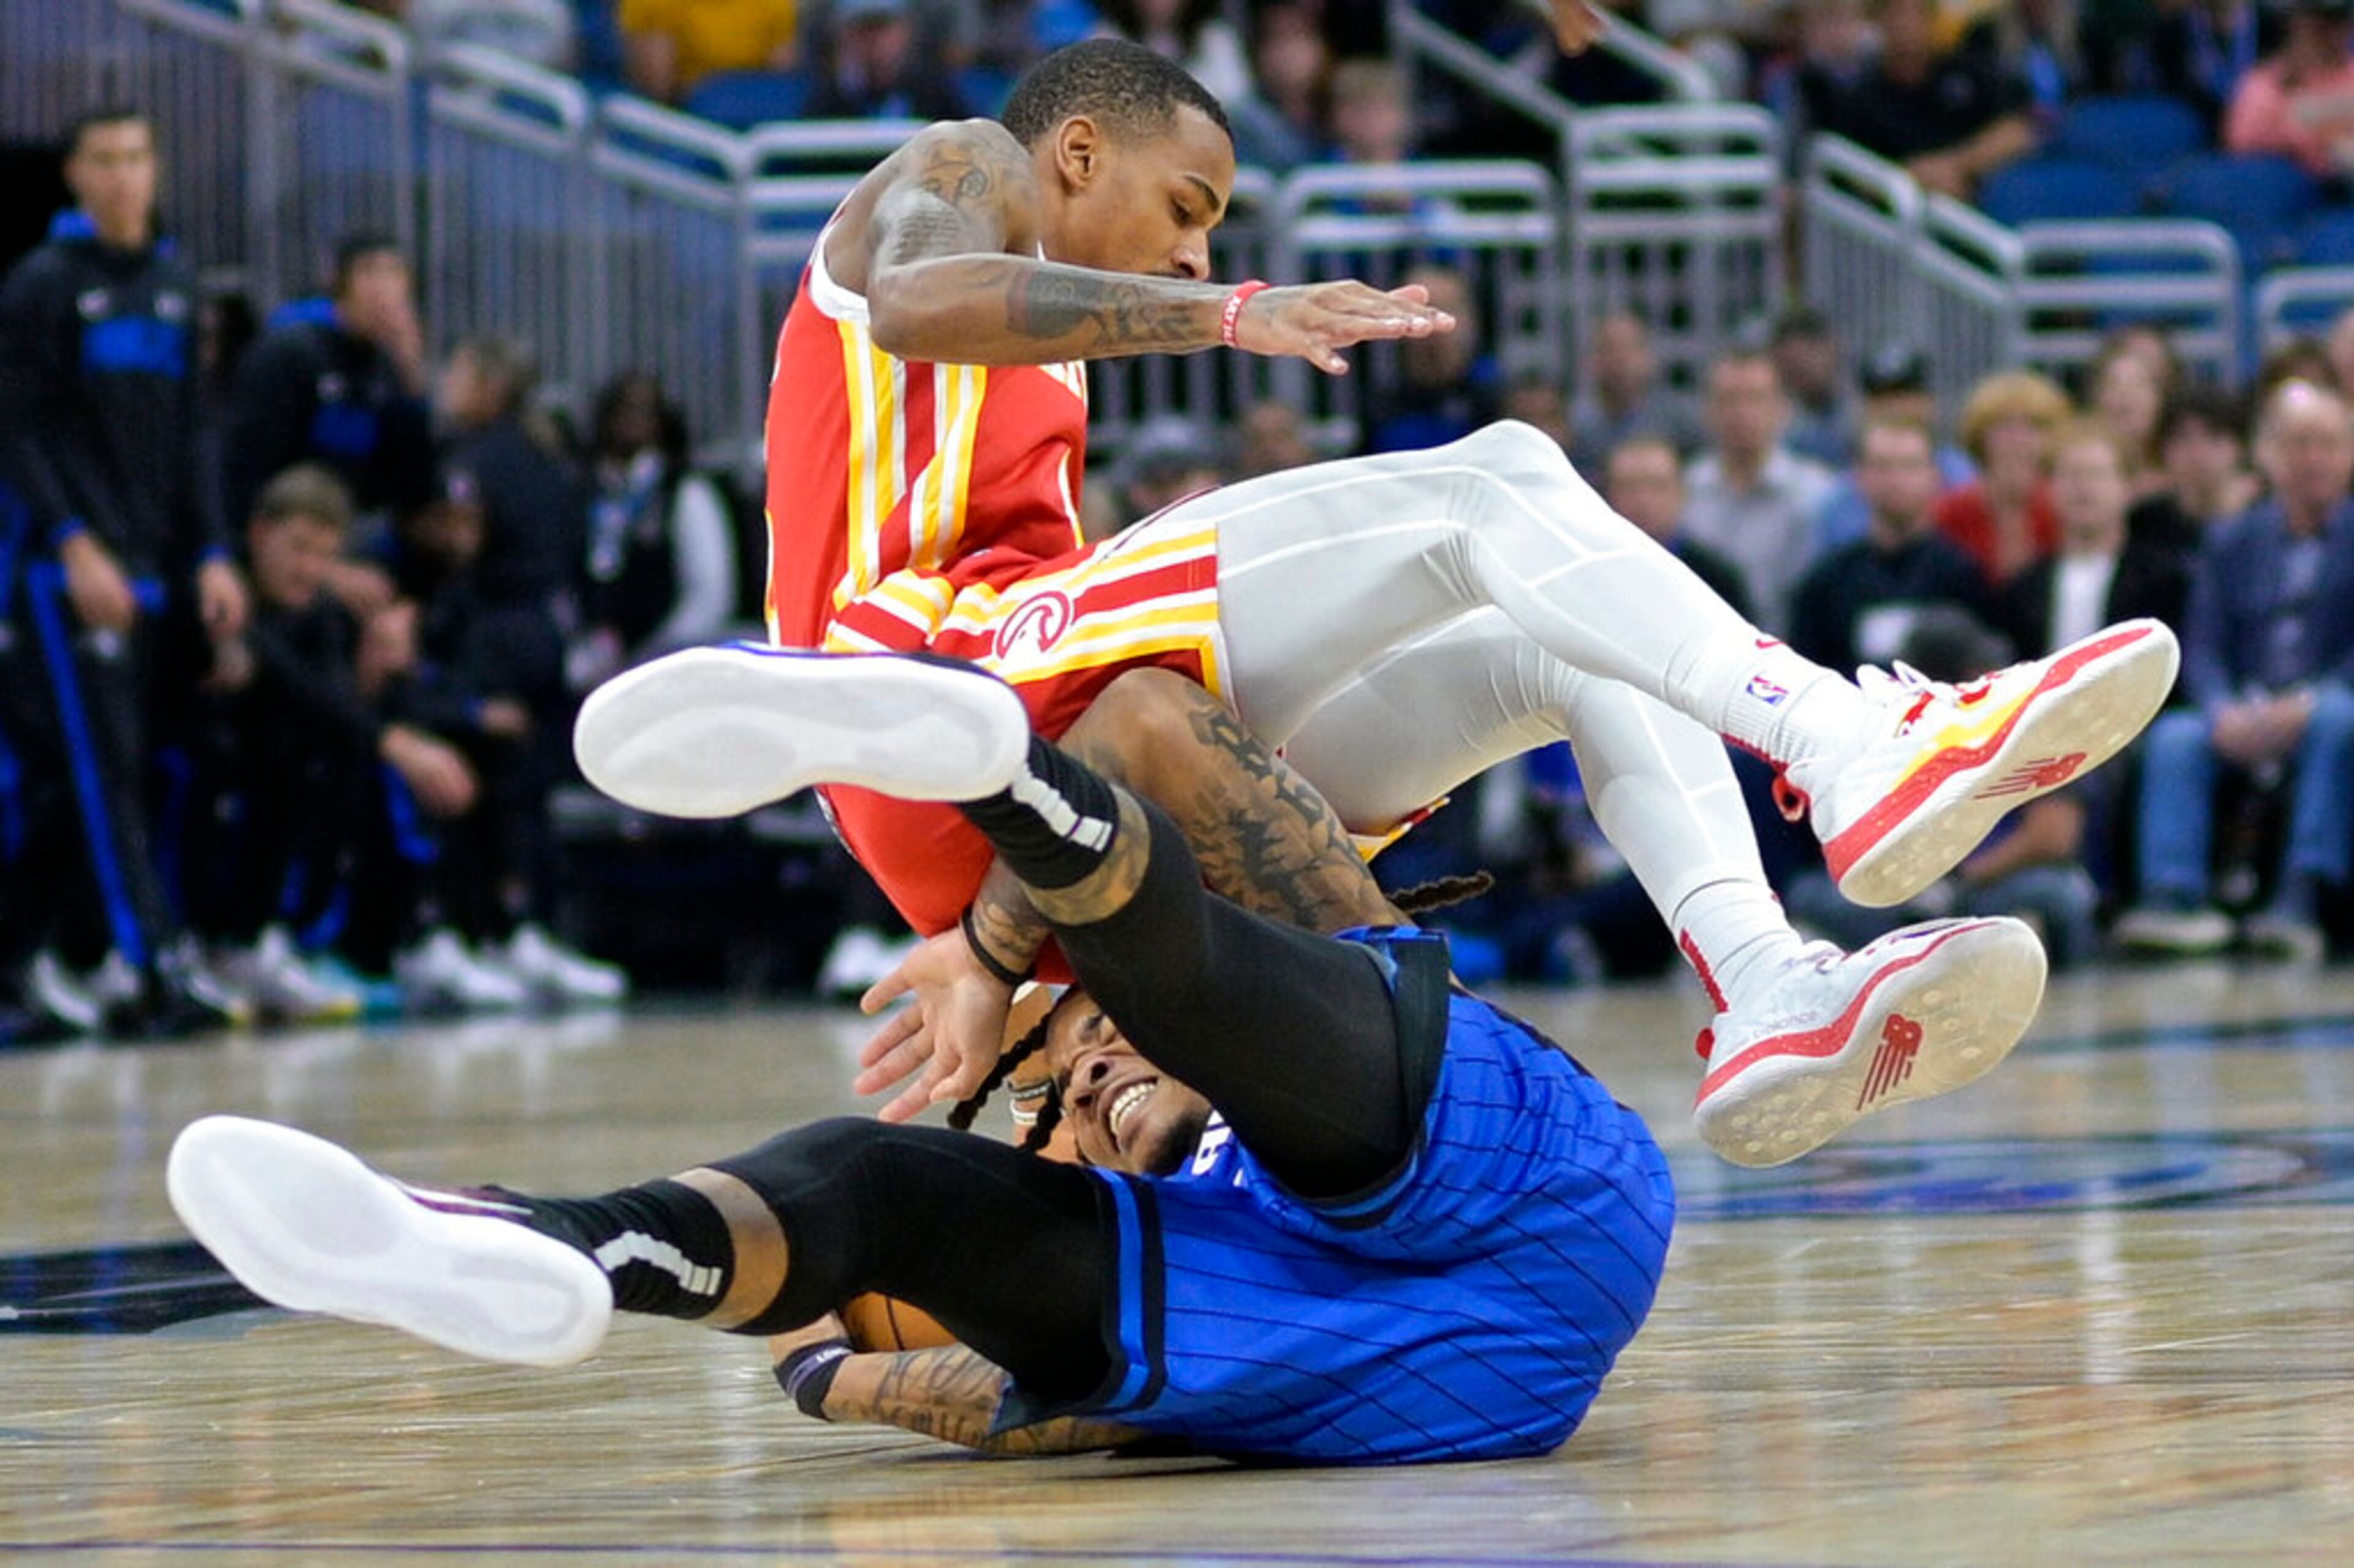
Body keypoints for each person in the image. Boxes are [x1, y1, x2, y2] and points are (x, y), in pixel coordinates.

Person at [579, 36, 2176, 1160]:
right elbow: (922, 302)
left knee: (1564, 637)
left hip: (1010, 762)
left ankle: (1765, 987)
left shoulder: (1049, 357)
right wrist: (1230, 312)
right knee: (1495, 476)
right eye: (1187, 203)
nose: (1194, 244)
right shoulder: (965, 164)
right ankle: (1841, 740)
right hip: (921, 689)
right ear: (1077, 153)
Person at [173, 652, 2053, 1462]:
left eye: (1071, 1067)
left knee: (1219, 1007)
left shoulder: (1290, 960)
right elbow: (973, 1389)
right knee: (885, 1176)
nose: (1074, 1094)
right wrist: (846, 1363)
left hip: (1526, 1202)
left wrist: (1004, 953)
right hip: (1344, 1369)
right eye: (1060, 1103)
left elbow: (1153, 720)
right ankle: (546, 1243)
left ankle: (990, 766)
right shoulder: (1146, 1254)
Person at [0, 105, 249, 1037]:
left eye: (137, 157)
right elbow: (16, 429)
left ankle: (31, 956)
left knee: (105, 773)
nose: (122, 176)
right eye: (103, 159)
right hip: (66, 572)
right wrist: (71, 540)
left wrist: (215, 551)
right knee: (98, 768)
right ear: (74, 174)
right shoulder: (42, 284)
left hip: (156, 565)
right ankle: (151, 963)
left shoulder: (177, 285)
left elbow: (196, 434)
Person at [2115, 380, 2354, 961]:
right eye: (2298, 444)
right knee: (2176, 737)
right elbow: (2202, 647)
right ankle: (2173, 898)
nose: (2313, 459)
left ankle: (2301, 897)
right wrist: (2221, 708)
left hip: (2327, 700)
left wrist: (2308, 702)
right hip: (2243, 704)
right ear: (2269, 455)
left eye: (2327, 444)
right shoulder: (2231, 541)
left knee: (2337, 721)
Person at [1789, 417, 1992, 675]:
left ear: (1934, 476)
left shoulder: (1963, 577)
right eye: (1883, 467)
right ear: (1859, 477)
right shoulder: (1827, 584)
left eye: (1909, 466)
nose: (1896, 480)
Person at [1678, 348, 1838, 633]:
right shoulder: (1684, 490)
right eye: (1728, 400)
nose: (1741, 413)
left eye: (1755, 398)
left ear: (1783, 410)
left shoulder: (1818, 494)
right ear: (1708, 411)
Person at [1934, 369, 2072, 592]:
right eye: (2003, 427)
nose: (2017, 440)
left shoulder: (2064, 508)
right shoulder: (1950, 511)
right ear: (1980, 436)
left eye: (2032, 427)